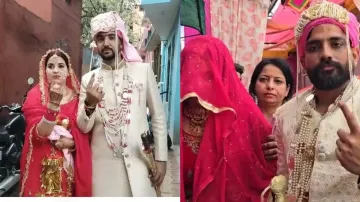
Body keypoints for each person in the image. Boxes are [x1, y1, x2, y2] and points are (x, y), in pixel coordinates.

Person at [264, 2, 360, 201]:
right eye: (315, 47)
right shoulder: (285, 114)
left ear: (354, 55)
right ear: (303, 61)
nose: (326, 54)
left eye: (336, 44)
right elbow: (284, 178)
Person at [76, 11, 168, 197]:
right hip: (103, 172)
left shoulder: (143, 71)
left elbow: (158, 117)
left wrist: (161, 159)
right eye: (101, 38)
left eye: (112, 37)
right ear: (96, 43)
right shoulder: (88, 80)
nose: (106, 43)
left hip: (140, 165)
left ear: (121, 39)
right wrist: (90, 104)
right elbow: (83, 127)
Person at [180, 36, 277, 202]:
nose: (196, 83)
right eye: (191, 72)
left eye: (205, 74)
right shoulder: (177, 112)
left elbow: (269, 170)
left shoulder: (246, 115)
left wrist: (281, 150)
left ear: (221, 73)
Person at [20, 48, 92, 197]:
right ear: (44, 70)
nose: (55, 70)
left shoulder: (78, 99)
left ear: (68, 70)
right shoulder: (35, 96)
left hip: (68, 171)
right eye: (50, 66)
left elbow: (87, 133)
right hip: (39, 167)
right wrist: (52, 106)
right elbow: (39, 134)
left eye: (61, 66)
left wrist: (72, 143)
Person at [249, 58, 294, 162]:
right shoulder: (242, 118)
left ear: (287, 90)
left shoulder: (296, 120)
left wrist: (285, 149)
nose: (270, 86)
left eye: (278, 81)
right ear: (254, 85)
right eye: (263, 79)